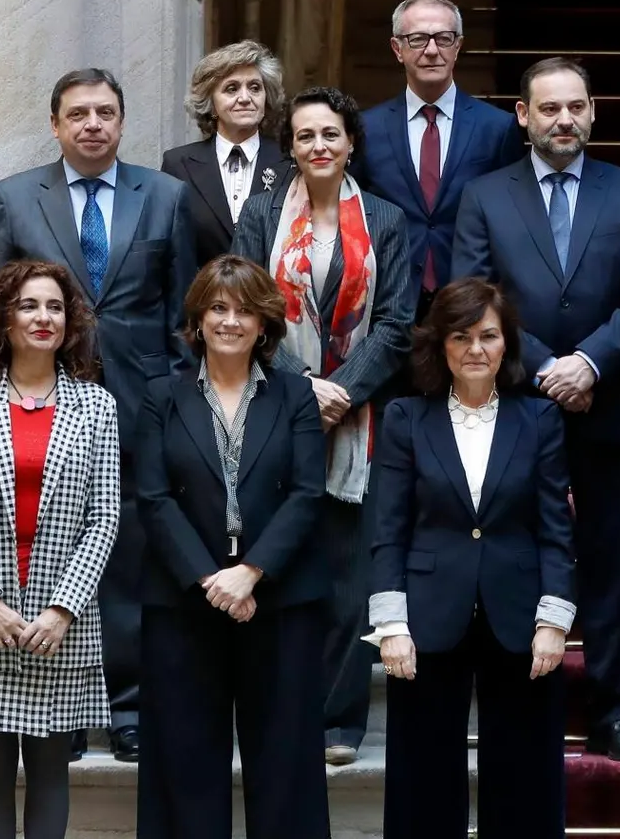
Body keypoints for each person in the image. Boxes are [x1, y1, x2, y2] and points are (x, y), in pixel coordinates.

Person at [454, 57, 620, 762]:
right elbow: (473, 294)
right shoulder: (485, 195)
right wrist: (548, 366)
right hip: (518, 402)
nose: (564, 119)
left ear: (593, 111)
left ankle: (613, 711)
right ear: (523, 116)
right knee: (517, 555)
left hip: (608, 403)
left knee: (610, 562)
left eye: (576, 106)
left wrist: (590, 362)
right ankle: (523, 705)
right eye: (549, 108)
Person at [0, 67, 196, 762]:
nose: (93, 124)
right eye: (78, 113)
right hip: (44, 401)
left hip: (142, 404)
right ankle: (61, 707)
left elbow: (183, 314)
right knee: (50, 553)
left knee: (132, 557)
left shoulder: (164, 195)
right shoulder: (15, 197)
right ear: (55, 124)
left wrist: (177, 399)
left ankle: (128, 707)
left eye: (105, 112)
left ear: (122, 122)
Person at [229, 86, 413, 765]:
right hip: (275, 409)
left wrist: (342, 390)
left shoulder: (386, 220)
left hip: (359, 419)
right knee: (276, 562)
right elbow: (243, 307)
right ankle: (276, 711)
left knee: (346, 572)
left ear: (351, 142)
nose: (319, 145)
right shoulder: (261, 215)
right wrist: (302, 390)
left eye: (330, 133)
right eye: (305, 135)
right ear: (291, 147)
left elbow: (396, 323)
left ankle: (339, 720)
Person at [368, 278, 576, 839]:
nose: (475, 349)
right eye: (461, 337)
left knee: (525, 780)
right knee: (422, 781)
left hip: (521, 617)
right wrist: (391, 625)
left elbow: (556, 531)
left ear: (508, 342)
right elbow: (388, 529)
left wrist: (554, 620)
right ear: (440, 345)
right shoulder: (406, 417)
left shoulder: (541, 420)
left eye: (488, 335)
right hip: (427, 617)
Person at [131, 256, 329, 838]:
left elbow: (307, 494)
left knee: (286, 767)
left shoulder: (296, 395)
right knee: (184, 765)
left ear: (264, 324)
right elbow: (153, 497)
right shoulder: (161, 396)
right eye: (218, 308)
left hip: (280, 601)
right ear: (197, 319)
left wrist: (252, 571)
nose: (230, 321)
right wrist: (210, 579)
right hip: (184, 604)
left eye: (244, 310)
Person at [0, 260, 120, 839]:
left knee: (51, 777)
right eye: (29, 305)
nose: (43, 317)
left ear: (69, 322)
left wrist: (62, 610)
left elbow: (104, 518)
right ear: (4, 318)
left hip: (58, 630)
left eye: (55, 307)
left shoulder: (97, 407)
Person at [355, 0, 525, 320]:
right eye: (418, 39)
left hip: (470, 304)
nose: (432, 50)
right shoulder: (366, 129)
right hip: (387, 302)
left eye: (444, 38)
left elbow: (512, 222)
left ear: (457, 46)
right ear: (397, 49)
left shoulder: (498, 128)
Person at [160, 41, 295, 268]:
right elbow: (170, 251)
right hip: (202, 290)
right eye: (232, 89)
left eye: (255, 88)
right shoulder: (178, 164)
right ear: (211, 104)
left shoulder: (290, 161)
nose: (245, 98)